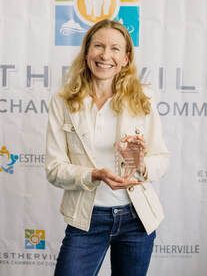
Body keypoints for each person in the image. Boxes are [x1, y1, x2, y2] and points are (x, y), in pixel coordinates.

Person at [45, 19, 170, 276]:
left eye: (115, 49)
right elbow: (54, 169)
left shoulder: (143, 98)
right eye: (98, 46)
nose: (105, 55)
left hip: (137, 218)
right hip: (87, 217)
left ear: (125, 58)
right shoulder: (63, 101)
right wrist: (94, 174)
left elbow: (161, 158)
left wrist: (141, 163)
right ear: (87, 52)